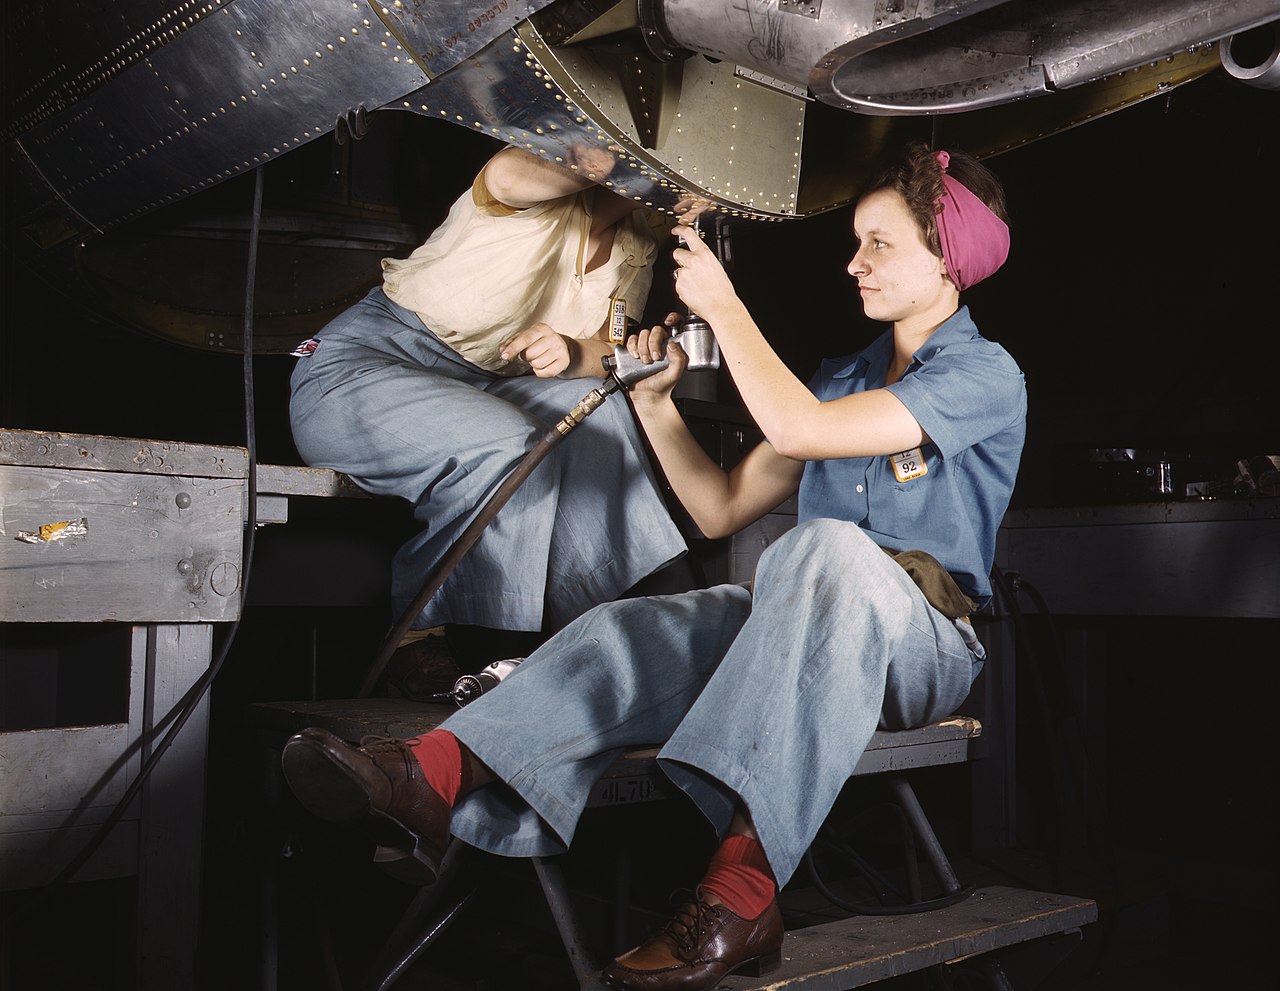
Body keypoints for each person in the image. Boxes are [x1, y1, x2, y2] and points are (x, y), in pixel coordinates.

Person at [280, 142, 1026, 991]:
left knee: (822, 547)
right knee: (634, 626)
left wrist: (727, 308)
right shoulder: (838, 376)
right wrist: (654, 401)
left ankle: (741, 893)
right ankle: (430, 777)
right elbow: (718, 507)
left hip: (921, 645)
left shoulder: (984, 374)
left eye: (880, 244)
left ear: (949, 257)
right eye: (854, 240)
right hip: (800, 618)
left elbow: (799, 434)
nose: (854, 263)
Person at [287, 144, 689, 692]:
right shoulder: (535, 185)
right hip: (366, 366)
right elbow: (505, 177)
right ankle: (427, 643)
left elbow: (610, 347)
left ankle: (616, 636)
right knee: (506, 445)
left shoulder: (639, 242)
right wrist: (596, 163)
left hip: (488, 386)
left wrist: (573, 352)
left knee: (603, 416)